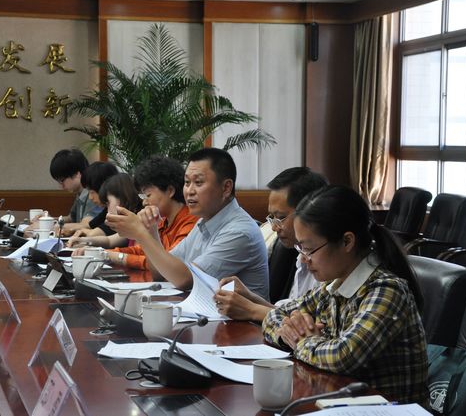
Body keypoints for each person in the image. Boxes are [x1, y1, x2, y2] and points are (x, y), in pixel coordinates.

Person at [262, 185, 428, 405]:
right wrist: (289, 334)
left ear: (347, 241)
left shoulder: (387, 290)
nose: (303, 259)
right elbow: (274, 315)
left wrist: (303, 341)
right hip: (341, 402)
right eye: (300, 249)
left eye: (309, 249)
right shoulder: (333, 285)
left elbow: (343, 356)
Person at [106, 148, 269, 299]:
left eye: (198, 183)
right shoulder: (204, 221)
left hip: (236, 321)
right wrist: (151, 230)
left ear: (226, 188)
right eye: (186, 182)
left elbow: (185, 279)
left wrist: (140, 234)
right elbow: (161, 273)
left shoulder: (240, 232)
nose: (189, 191)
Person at [214, 167, 328, 321]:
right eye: (271, 217)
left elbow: (305, 325)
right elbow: (290, 313)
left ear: (308, 211)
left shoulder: (326, 261)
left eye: (280, 217)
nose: (274, 227)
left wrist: (250, 309)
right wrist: (249, 297)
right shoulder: (301, 254)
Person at [72, 157, 198, 270]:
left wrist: (110, 255)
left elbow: (166, 265)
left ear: (170, 191)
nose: (144, 202)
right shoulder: (162, 221)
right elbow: (142, 251)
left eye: (148, 195)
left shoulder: (190, 222)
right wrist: (102, 253)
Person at [48, 149, 101, 233]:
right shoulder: (80, 192)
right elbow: (71, 218)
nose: (61, 186)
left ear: (77, 174)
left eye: (62, 181)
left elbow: (87, 225)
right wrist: (48, 220)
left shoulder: (93, 194)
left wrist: (50, 226)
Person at [67, 161, 120, 240]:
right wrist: (68, 229)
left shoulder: (119, 210)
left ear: (103, 188)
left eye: (92, 192)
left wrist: (82, 231)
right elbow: (89, 225)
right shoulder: (107, 209)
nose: (90, 197)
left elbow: (96, 233)